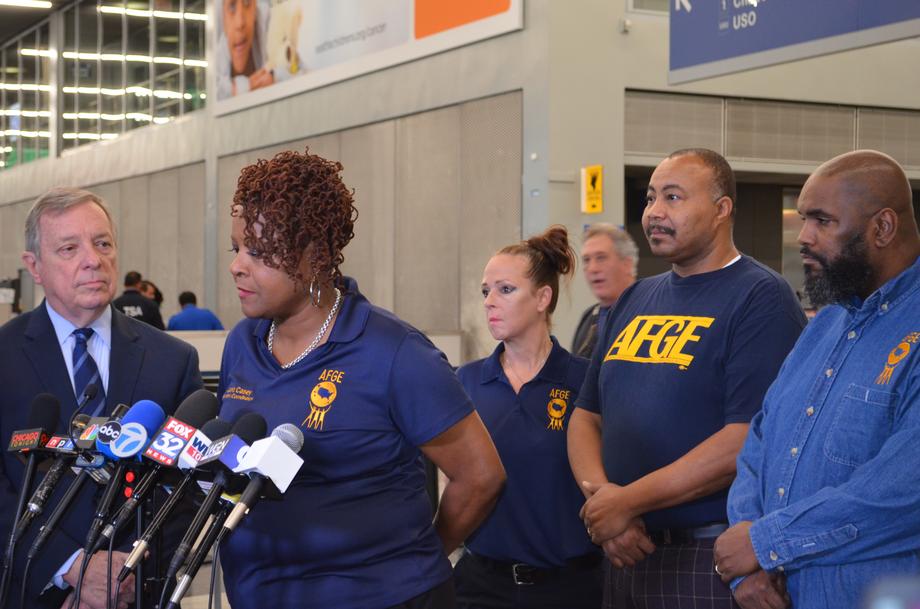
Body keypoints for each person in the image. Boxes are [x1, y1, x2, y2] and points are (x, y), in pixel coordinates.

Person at [217, 149, 506, 609]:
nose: (237, 265)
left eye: (258, 252)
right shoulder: (242, 344)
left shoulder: (394, 352)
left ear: (314, 256)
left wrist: (415, 558)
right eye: (236, 249)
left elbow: (481, 475)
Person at [568, 148, 806, 609]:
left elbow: (743, 440)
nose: (655, 212)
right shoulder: (635, 297)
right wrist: (605, 505)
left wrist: (625, 503)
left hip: (703, 556)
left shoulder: (760, 298)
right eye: (652, 197)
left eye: (673, 198)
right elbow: (585, 416)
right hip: (624, 549)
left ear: (722, 210)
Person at [713, 150, 920, 609]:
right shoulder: (826, 325)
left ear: (882, 228)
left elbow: (904, 493)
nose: (803, 237)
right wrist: (748, 566)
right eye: (804, 219)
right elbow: (761, 442)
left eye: (822, 221)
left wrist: (765, 541)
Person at [0, 187, 202, 609]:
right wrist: (70, 567)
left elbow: (188, 490)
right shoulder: (5, 357)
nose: (93, 259)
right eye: (69, 248)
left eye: (103, 243)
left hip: (140, 593)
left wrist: (128, 575)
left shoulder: (172, 360)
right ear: (34, 266)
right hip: (32, 591)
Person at [453, 226, 602, 609]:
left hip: (569, 588)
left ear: (542, 298)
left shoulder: (584, 380)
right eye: (485, 291)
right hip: (481, 587)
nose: (489, 302)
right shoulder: (465, 382)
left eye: (505, 289)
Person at [571, 224, 638, 358]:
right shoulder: (589, 317)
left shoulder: (651, 315)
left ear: (627, 264)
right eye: (586, 260)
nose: (592, 268)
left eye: (601, 258)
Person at [217, 0, 273, 99]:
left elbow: (300, 71)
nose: (240, 23)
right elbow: (216, 92)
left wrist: (275, 76)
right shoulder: (217, 47)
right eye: (232, 7)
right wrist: (247, 86)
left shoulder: (267, 19)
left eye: (247, 3)